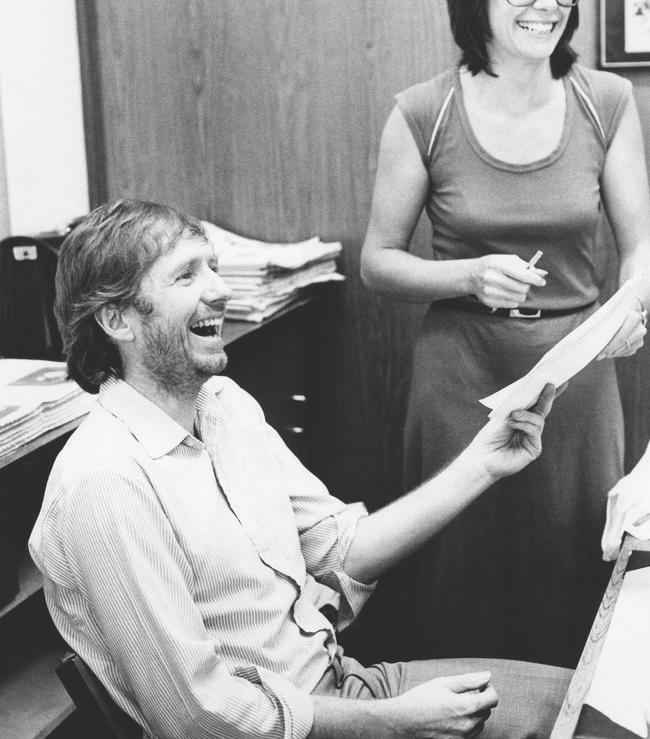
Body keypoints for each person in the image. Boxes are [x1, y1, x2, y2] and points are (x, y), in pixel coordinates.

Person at [29, 198, 572, 739]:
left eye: (212, 266)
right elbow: (196, 718)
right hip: (315, 725)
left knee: (596, 703)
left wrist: (483, 462)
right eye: (185, 275)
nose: (220, 289)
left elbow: (338, 550)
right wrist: (396, 723)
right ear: (117, 318)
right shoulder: (104, 481)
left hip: (346, 691)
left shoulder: (224, 405)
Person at [361, 0, 650, 668]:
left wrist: (632, 301)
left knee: (575, 561)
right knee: (460, 567)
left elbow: (642, 241)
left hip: (580, 375)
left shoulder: (609, 101)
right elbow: (377, 260)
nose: (548, 3)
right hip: (460, 375)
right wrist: (466, 274)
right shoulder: (422, 112)